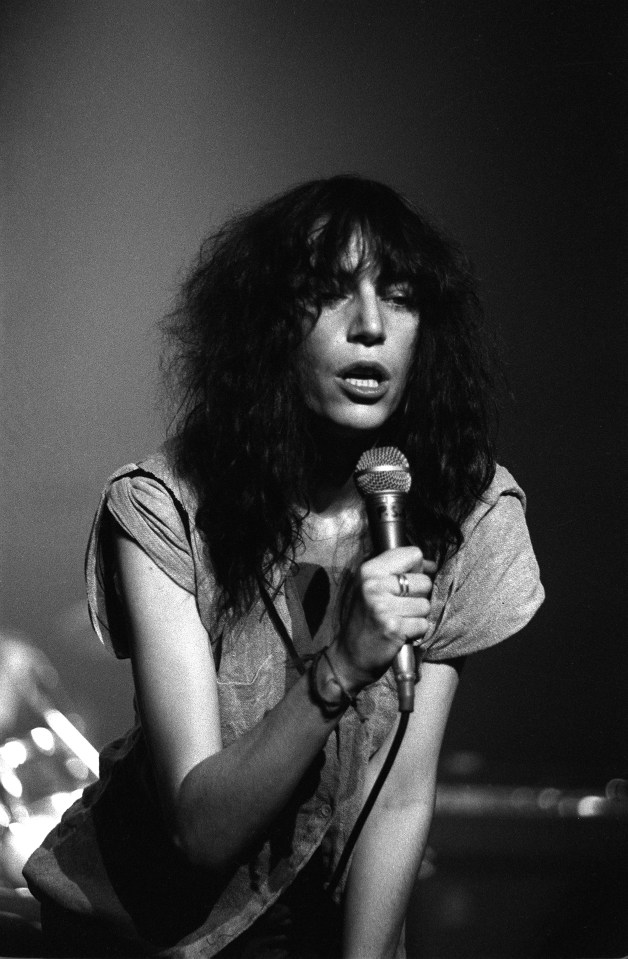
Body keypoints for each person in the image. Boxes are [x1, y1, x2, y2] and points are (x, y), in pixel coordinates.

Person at [23, 175, 544, 958]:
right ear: (268, 326)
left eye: (399, 296)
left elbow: (397, 795)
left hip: (316, 923)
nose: (370, 326)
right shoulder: (165, 506)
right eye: (330, 295)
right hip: (139, 925)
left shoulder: (466, 513)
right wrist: (340, 665)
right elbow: (198, 829)